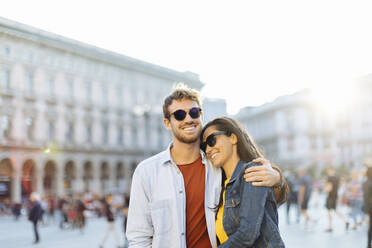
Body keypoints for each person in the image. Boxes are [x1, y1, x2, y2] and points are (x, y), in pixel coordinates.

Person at [126, 83, 287, 248]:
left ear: (201, 115)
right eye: (179, 115)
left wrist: (277, 177)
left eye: (194, 112)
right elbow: (139, 237)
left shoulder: (218, 164)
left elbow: (266, 198)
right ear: (167, 123)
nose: (188, 119)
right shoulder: (146, 172)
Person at [200, 117, 285, 247]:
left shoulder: (251, 172)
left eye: (211, 141)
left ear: (233, 138)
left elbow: (247, 234)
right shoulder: (220, 185)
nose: (208, 149)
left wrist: (278, 177)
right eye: (203, 146)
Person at [325, 166, 349, 232]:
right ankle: (345, 221)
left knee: (329, 211)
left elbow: (329, 188)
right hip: (335, 196)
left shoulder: (329, 178)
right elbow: (340, 187)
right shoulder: (337, 178)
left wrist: (325, 190)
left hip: (330, 196)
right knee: (335, 210)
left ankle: (330, 227)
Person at [363, 166, 372, 248]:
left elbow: (365, 198)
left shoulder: (365, 183)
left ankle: (368, 244)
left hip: (368, 207)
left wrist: (366, 212)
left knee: (370, 227)